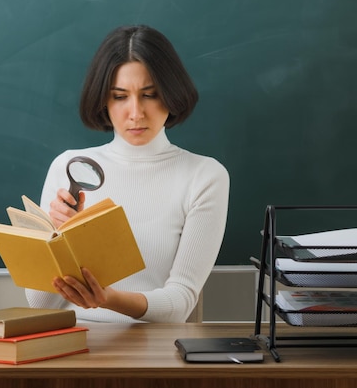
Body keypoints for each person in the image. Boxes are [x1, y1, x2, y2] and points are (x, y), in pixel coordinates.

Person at [25, 25, 230, 323]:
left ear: (171, 95)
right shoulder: (68, 168)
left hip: (153, 355)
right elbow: (39, 304)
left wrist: (108, 299)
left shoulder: (204, 176)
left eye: (150, 95)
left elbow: (180, 303)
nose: (135, 113)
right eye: (120, 96)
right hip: (69, 347)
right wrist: (57, 237)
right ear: (103, 100)